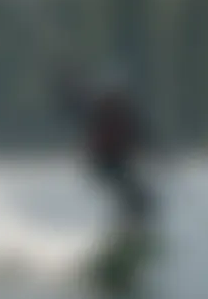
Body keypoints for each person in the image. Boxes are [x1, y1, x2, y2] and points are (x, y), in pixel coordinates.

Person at [56, 62, 155, 230]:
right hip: (103, 162)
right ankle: (126, 228)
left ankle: (131, 228)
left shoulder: (125, 113)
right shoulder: (99, 109)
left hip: (116, 162)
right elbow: (74, 106)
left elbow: (143, 136)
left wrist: (160, 154)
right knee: (132, 195)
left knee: (138, 197)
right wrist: (66, 84)